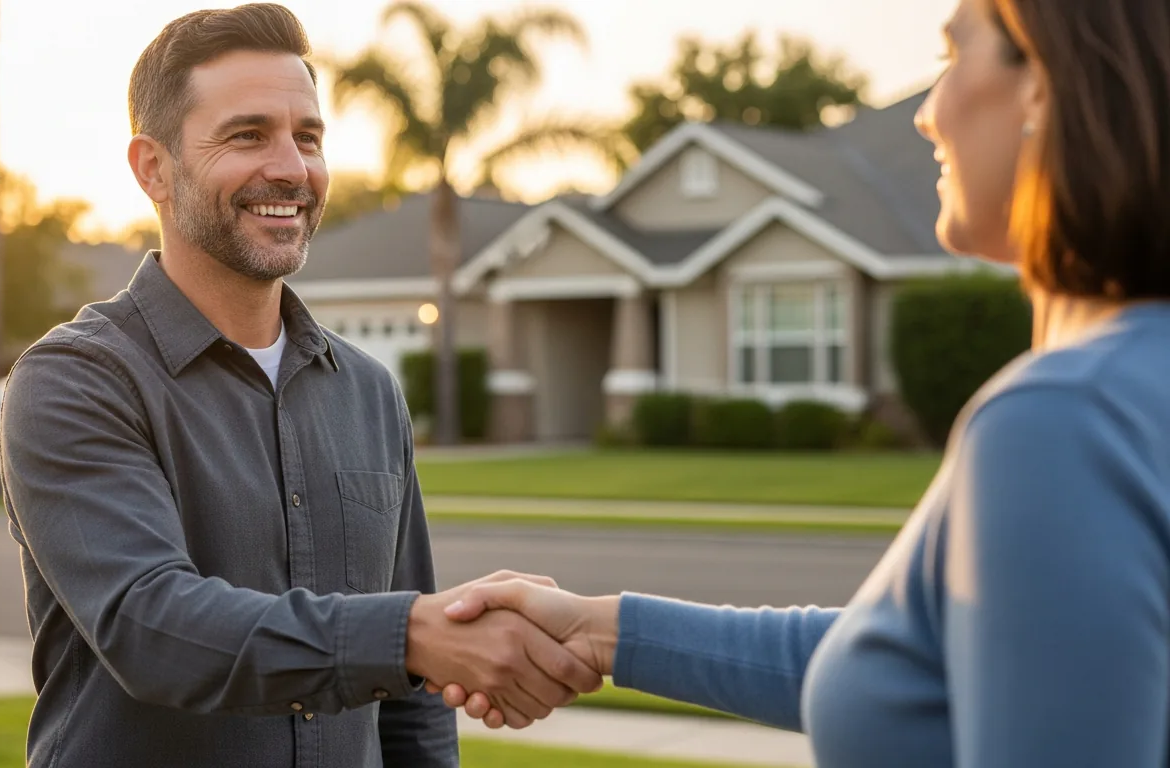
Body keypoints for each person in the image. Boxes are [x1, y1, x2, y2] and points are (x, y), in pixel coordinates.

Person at [430, 0, 1170, 765]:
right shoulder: (1131, 392)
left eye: (953, 57)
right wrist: (602, 629)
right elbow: (914, 661)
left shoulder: (1061, 424)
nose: (926, 114)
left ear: (1043, 85)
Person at [0, 5, 600, 768]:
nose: (291, 168)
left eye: (307, 137)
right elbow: (153, 629)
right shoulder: (76, 382)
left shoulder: (369, 392)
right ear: (153, 167)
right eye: (248, 134)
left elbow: (411, 700)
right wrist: (411, 631)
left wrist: (420, 641)